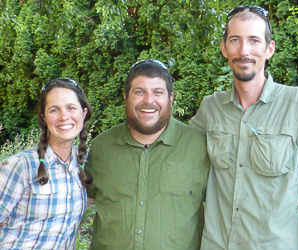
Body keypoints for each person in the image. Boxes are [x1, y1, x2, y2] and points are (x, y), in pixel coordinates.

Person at [189, 5, 298, 250]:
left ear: (269, 49)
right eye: (235, 40)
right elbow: (176, 155)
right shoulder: (210, 109)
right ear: (224, 48)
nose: (244, 50)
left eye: (254, 40)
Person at [86, 59, 210, 249]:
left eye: (158, 92)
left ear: (171, 98)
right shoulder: (101, 148)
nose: (149, 101)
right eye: (139, 92)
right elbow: (74, 206)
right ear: (126, 97)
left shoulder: (199, 146)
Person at [0, 78, 92, 249]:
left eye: (71, 108)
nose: (64, 116)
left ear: (83, 113)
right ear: (44, 117)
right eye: (54, 110)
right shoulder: (21, 166)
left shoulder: (84, 165)